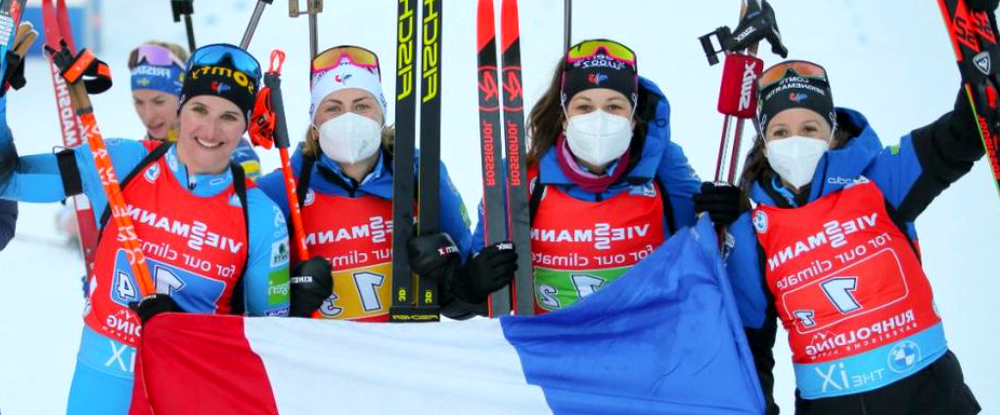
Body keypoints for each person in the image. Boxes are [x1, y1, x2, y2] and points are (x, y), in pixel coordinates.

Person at [0, 43, 303, 414]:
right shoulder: (121, 163)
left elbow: (268, 344)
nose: (210, 129)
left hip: (192, 390)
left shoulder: (259, 217)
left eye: (228, 116)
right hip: (103, 379)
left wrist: (187, 331)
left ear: (245, 124)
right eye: (199, 109)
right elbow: (9, 180)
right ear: (181, 108)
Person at [696, 57, 984, 414]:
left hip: (928, 396)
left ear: (832, 130)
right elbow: (749, 341)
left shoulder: (880, 179)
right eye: (781, 132)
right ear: (765, 142)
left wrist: (979, 59)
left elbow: (961, 136)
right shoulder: (752, 230)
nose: (796, 142)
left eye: (810, 128)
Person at [418, 39, 701, 314]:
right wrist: (470, 284)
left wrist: (723, 214)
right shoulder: (521, 177)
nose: (599, 118)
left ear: (633, 117)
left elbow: (702, 253)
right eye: (584, 107)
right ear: (565, 117)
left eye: (614, 106)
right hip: (553, 347)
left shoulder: (663, 166)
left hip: (648, 343)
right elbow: (487, 290)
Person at [256, 45, 475, 320]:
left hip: (408, 354)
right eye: (333, 109)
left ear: (382, 115)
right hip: (317, 358)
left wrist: (451, 275)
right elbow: (247, 305)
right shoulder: (283, 188)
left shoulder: (420, 175)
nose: (349, 119)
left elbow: (469, 297)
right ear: (315, 124)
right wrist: (292, 300)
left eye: (362, 106)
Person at [128, 41, 262, 178]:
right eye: (139, 102)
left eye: (159, 102)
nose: (148, 116)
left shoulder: (238, 157)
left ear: (183, 97)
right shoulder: (138, 155)